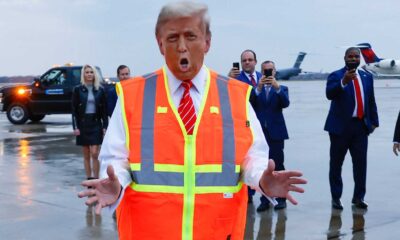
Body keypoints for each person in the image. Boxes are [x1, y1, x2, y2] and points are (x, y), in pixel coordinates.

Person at [78, 2, 306, 239]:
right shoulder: (133, 95)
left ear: (207, 42)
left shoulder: (235, 95)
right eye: (173, 38)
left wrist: (261, 179)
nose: (182, 47)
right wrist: (114, 183)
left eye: (191, 36)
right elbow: (115, 159)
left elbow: (251, 156)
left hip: (217, 231)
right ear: (160, 44)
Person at [324, 47, 379, 210]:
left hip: (360, 127)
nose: (354, 59)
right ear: (345, 58)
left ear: (360, 59)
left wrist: (374, 122)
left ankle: (358, 197)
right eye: (350, 56)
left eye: (356, 56)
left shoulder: (367, 76)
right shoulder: (336, 75)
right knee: (336, 165)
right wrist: (344, 82)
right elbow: (329, 94)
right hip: (340, 128)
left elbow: (371, 100)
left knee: (361, 165)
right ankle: (336, 198)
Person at [250, 60, 290, 212]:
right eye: (265, 70)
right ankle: (265, 199)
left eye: (270, 70)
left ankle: (281, 198)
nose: (268, 73)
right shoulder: (256, 90)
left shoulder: (282, 88)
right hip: (260, 134)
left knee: (278, 166)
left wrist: (277, 87)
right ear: (261, 72)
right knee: (261, 167)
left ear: (274, 72)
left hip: (276, 133)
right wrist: (258, 88)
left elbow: (285, 103)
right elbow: (250, 104)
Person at [229, 49, 263, 203]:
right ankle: (247, 197)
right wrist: (229, 80)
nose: (247, 62)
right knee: (244, 162)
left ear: (255, 62)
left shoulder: (265, 78)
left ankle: (267, 196)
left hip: (265, 126)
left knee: (267, 161)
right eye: (244, 60)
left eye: (250, 60)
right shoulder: (235, 79)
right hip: (244, 127)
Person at [72, 64, 108, 181]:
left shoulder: (100, 90)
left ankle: (96, 178)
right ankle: (89, 178)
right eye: (87, 72)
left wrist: (105, 126)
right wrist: (75, 127)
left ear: (94, 74)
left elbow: (104, 111)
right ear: (83, 74)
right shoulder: (78, 90)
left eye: (91, 72)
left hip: (96, 123)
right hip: (83, 124)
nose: (89, 74)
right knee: (86, 154)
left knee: (95, 153)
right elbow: (74, 110)